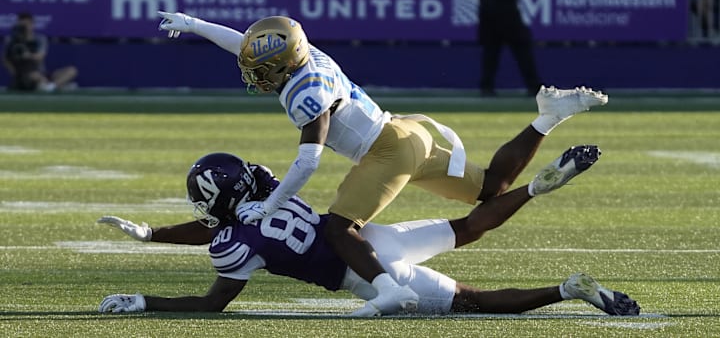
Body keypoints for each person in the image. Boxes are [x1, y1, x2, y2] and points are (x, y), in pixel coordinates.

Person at [155, 10, 608, 316]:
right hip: (407, 132)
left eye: (263, 68)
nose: (254, 72)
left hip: (385, 151)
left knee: (338, 229)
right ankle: (548, 118)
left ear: (284, 62)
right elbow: (249, 46)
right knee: (490, 187)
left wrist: (269, 206)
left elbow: (308, 161)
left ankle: (389, 291)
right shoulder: (306, 55)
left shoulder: (302, 93)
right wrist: (195, 24)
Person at [97, 150, 640, 316]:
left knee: (475, 303)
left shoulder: (237, 243)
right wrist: (152, 235)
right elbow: (222, 221)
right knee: (468, 225)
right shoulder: (268, 192)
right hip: (377, 236)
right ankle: (533, 190)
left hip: (373, 276)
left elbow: (212, 303)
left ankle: (566, 290)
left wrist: (144, 300)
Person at [2, 12, 77, 92]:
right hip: (26, 75)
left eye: (26, 25)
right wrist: (15, 73)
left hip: (42, 73)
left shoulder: (40, 39)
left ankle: (51, 87)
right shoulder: (12, 40)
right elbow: (6, 59)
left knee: (71, 70)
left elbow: (40, 57)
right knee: (34, 77)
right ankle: (57, 87)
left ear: (32, 24)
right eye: (22, 25)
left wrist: (28, 55)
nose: (24, 28)